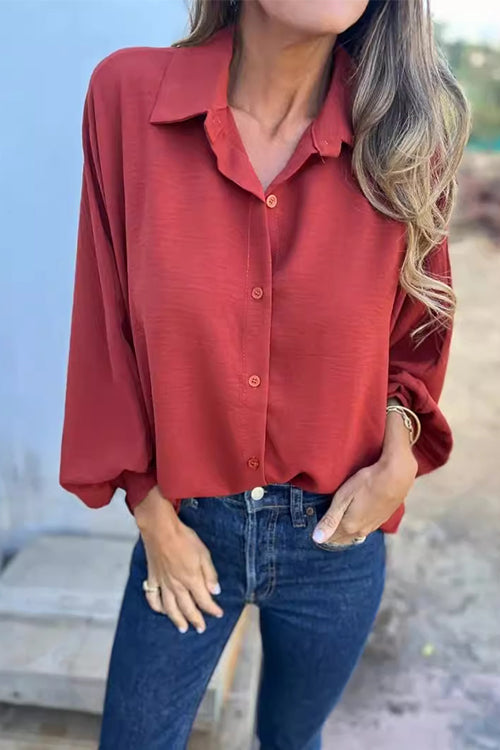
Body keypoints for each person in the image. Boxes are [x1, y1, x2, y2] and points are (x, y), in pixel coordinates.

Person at [59, 0, 471, 748]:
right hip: (187, 525)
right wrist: (152, 517)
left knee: (292, 741)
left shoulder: (407, 141)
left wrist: (399, 460)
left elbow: (415, 342)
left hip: (336, 539)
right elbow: (103, 328)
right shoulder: (127, 98)